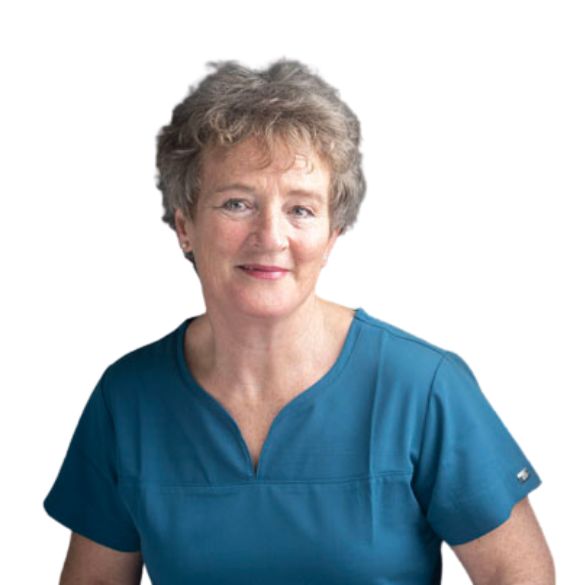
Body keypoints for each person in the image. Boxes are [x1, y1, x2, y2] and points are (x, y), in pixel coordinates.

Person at [43, 59, 555, 584]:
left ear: (332, 236)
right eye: (237, 203)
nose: (271, 236)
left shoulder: (421, 390)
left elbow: (516, 574)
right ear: (184, 226)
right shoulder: (128, 400)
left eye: (301, 210)